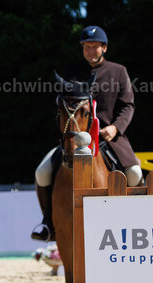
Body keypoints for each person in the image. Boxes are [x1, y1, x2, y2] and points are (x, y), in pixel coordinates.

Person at [31, 25, 142, 241]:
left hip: (108, 138)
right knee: (41, 173)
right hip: (75, 138)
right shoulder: (73, 72)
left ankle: (136, 222)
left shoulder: (118, 71)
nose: (91, 52)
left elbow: (128, 105)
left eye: (95, 47)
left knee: (135, 174)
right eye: (87, 47)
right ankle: (47, 223)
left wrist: (115, 127)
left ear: (104, 48)